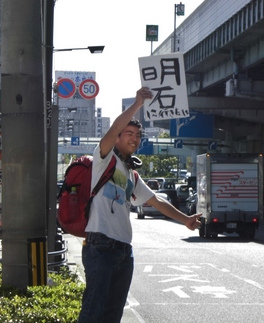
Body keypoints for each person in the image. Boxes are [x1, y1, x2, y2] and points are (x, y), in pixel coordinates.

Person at [77, 87, 201, 323]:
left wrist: (185, 220)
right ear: (119, 137)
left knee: (113, 313)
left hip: (124, 249)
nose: (134, 138)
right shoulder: (104, 159)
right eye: (129, 133)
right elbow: (113, 129)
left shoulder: (132, 175)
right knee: (93, 310)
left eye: (138, 135)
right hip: (100, 246)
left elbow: (157, 201)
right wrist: (137, 104)